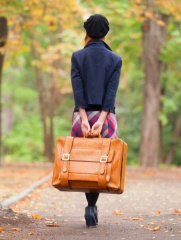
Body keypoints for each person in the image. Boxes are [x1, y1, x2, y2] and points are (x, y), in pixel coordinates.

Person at [70, 14, 122, 227]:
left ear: (87, 32)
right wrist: (101, 120)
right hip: (105, 116)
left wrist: (84, 118)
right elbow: (111, 94)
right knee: (100, 161)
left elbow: (77, 91)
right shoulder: (115, 59)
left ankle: (90, 204)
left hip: (82, 116)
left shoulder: (77, 56)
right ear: (106, 33)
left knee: (85, 160)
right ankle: (92, 206)